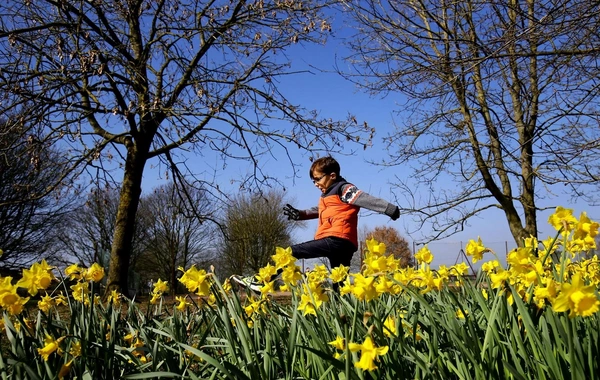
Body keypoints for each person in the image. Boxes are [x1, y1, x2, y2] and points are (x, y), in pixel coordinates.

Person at [231, 156, 400, 291]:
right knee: (339, 286)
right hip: (344, 244)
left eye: (318, 179)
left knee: (291, 252)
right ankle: (343, 320)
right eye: (313, 181)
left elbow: (364, 198)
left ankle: (261, 281)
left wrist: (388, 208)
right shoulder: (328, 195)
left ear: (332, 175)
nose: (316, 184)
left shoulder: (344, 189)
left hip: (336, 239)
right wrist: (300, 214)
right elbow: (319, 210)